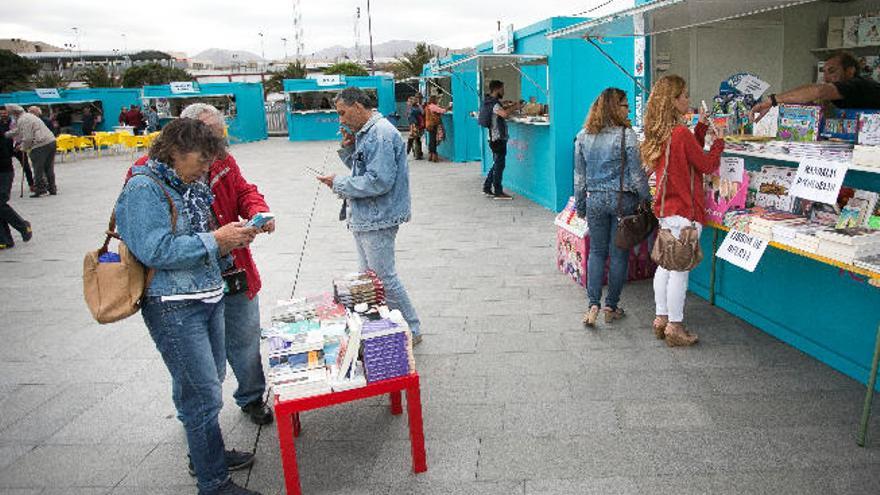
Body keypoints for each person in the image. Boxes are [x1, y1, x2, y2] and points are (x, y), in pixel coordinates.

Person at [115, 118, 263, 495]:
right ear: (176, 152)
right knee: (201, 394)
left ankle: (207, 455)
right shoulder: (143, 188)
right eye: (201, 160)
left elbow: (209, 230)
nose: (205, 169)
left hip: (207, 294)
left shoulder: (186, 182)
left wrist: (232, 238)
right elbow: (156, 250)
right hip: (174, 305)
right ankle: (212, 482)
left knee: (207, 385)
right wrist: (215, 240)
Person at [128, 103, 276, 428]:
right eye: (206, 142)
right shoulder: (147, 177)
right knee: (199, 370)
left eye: (217, 140)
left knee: (245, 339)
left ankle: (250, 398)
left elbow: (243, 190)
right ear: (182, 139)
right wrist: (215, 240)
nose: (212, 154)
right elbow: (153, 246)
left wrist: (257, 212)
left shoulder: (221, 159)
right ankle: (199, 428)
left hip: (230, 270)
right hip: (185, 290)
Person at [316, 86, 423, 345]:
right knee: (369, 278)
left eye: (343, 113)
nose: (341, 119)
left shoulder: (380, 134)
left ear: (358, 107)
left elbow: (379, 181)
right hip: (368, 215)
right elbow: (361, 168)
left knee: (383, 277)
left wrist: (339, 184)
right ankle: (379, 325)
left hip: (379, 215)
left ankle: (412, 327)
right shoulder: (367, 133)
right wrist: (347, 149)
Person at [641, 75, 724, 347]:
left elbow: (684, 155)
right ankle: (675, 326)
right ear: (673, 101)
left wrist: (699, 129)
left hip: (667, 209)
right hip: (686, 212)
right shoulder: (679, 133)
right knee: (679, 272)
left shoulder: (661, 132)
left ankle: (661, 318)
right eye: (685, 95)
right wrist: (719, 142)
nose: (689, 99)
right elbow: (706, 164)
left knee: (665, 265)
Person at [574, 88, 650, 327]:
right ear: (615, 108)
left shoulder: (583, 135)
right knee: (618, 254)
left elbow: (579, 178)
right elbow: (637, 176)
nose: (628, 110)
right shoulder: (627, 136)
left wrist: (580, 205)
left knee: (596, 252)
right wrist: (646, 198)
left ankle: (593, 304)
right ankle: (611, 305)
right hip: (622, 201)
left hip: (594, 199)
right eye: (625, 105)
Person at [751, 51, 880, 121]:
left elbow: (819, 90)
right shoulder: (844, 95)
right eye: (824, 72)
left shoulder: (858, 85)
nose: (826, 78)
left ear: (850, 71)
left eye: (832, 71)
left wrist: (772, 100)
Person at [4, 104, 57, 197]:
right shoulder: (28, 116)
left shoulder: (23, 119)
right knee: (49, 167)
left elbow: (28, 138)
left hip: (40, 144)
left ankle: (40, 189)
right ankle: (52, 188)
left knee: (38, 168)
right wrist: (7, 134)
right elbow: (19, 130)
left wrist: (22, 147)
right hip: (50, 141)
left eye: (10, 113)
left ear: (14, 113)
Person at [482, 80, 521, 200]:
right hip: (497, 138)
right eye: (502, 89)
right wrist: (516, 106)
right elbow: (503, 114)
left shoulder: (489, 102)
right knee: (500, 164)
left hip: (493, 138)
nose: (503, 91)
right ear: (497, 89)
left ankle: (487, 187)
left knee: (496, 163)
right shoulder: (494, 104)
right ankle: (498, 191)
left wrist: (509, 105)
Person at [0, 112, 32, 250]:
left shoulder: (3, 130)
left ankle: (22, 225)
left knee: (0, 203)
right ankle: (4, 239)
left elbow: (8, 148)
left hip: (3, 170)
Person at [1, 109, 34, 192]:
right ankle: (5, 186)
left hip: (17, 147)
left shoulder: (14, 122)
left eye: (4, 113)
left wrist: (21, 144)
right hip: (5, 149)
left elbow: (21, 133)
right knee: (7, 169)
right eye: (1, 113)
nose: (3, 115)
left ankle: (32, 184)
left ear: (8, 113)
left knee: (26, 166)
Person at [424, 95, 448, 162]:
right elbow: (442, 111)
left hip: (428, 124)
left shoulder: (428, 106)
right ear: (434, 100)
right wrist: (449, 107)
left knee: (431, 140)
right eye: (436, 99)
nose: (437, 100)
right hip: (433, 125)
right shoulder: (433, 106)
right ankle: (434, 156)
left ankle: (430, 155)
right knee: (433, 140)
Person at [407, 94, 425, 160]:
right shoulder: (411, 108)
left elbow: (422, 113)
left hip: (417, 125)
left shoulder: (417, 107)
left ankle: (417, 153)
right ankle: (409, 152)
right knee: (413, 139)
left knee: (416, 139)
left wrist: (419, 105)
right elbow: (410, 115)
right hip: (413, 125)